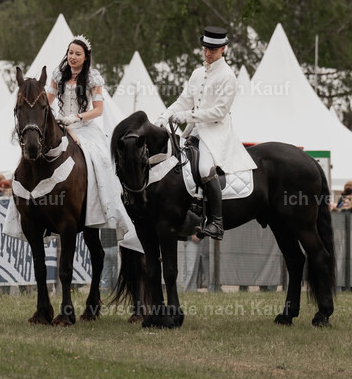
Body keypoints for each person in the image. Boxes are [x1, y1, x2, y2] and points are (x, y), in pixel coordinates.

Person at [158, 26, 255, 240]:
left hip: (216, 133)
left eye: (212, 49)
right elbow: (183, 100)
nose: (207, 53)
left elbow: (219, 112)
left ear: (223, 49)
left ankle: (216, 222)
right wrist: (164, 116)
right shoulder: (197, 73)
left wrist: (188, 116)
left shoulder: (228, 76)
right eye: (205, 48)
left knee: (203, 168)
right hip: (194, 131)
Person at [45, 35, 138, 245]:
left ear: (86, 57)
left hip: (85, 128)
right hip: (60, 125)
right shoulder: (57, 75)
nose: (73, 57)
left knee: (99, 160)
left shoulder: (93, 79)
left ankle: (100, 206)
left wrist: (76, 117)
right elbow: (45, 102)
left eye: (78, 54)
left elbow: (98, 110)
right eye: (70, 53)